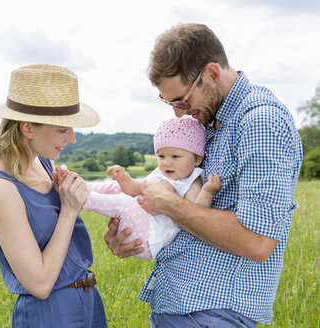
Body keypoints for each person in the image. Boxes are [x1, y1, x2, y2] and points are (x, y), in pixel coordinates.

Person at [104, 23, 303, 327]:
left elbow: (257, 241)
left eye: (182, 101)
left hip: (213, 312)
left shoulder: (260, 122)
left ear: (211, 73)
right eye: (169, 103)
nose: (179, 114)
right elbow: (187, 203)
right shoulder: (209, 122)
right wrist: (136, 234)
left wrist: (169, 204)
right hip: (184, 304)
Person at [0, 64, 107, 327]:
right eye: (62, 129)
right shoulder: (0, 190)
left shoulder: (45, 164)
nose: (71, 139)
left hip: (88, 302)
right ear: (27, 128)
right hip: (50, 316)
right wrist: (69, 211)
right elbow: (41, 284)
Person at [83, 117, 221, 260]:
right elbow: (135, 188)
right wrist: (123, 178)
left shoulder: (190, 182)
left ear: (197, 159)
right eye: (161, 156)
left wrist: (208, 191)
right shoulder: (161, 174)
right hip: (141, 223)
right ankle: (84, 187)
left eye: (175, 156)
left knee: (124, 202)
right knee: (116, 187)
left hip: (151, 237)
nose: (167, 163)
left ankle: (83, 198)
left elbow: (197, 213)